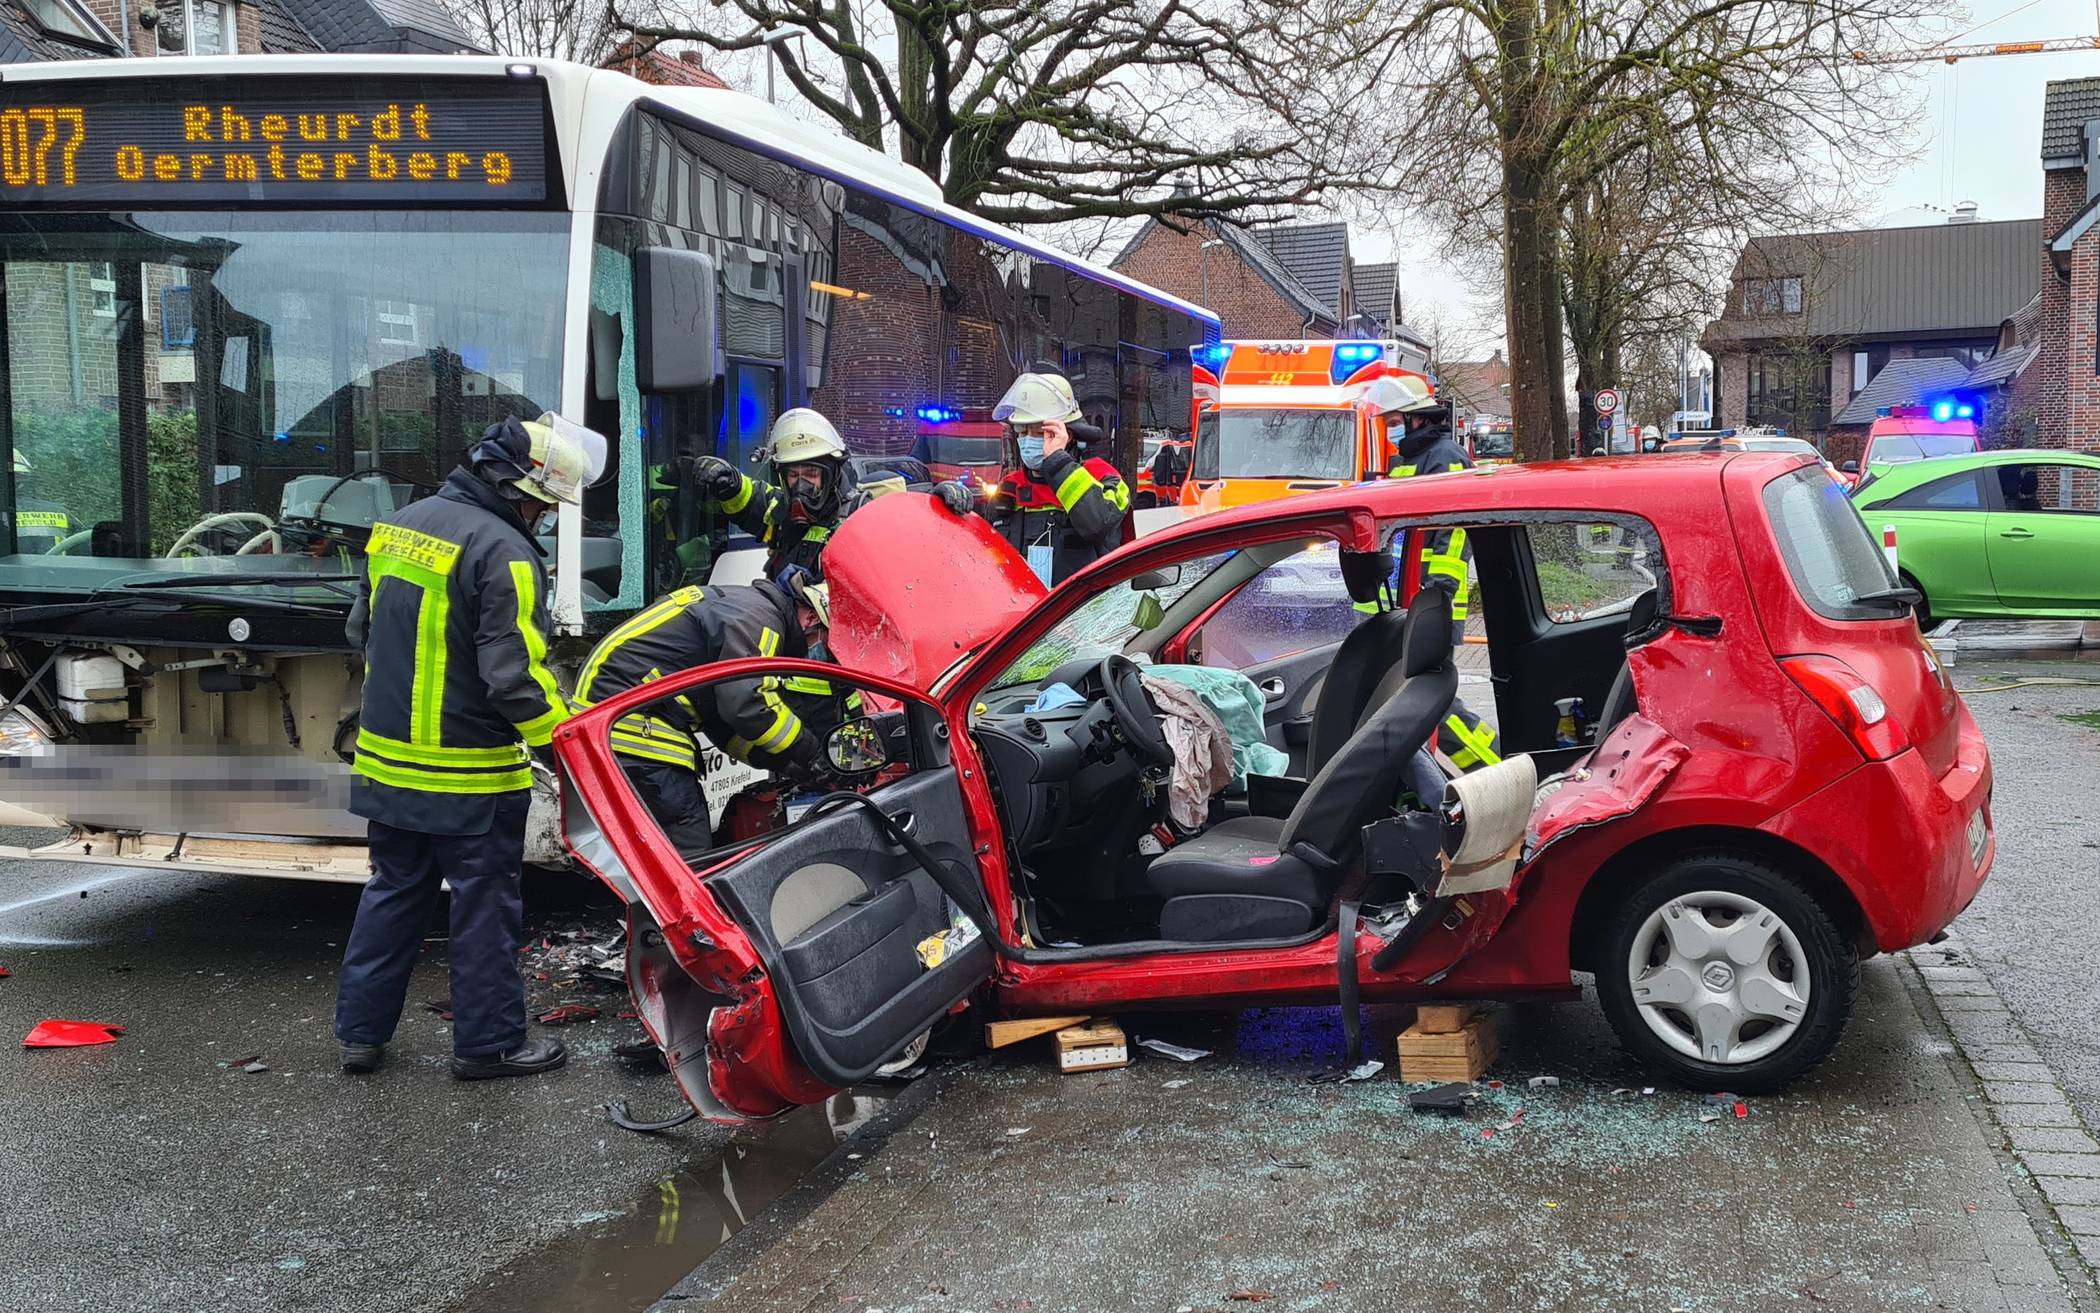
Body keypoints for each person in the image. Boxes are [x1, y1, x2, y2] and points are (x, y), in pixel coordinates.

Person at [337, 414, 599, 1081]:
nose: (544, 517)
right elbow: (515, 678)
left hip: (386, 765)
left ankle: (360, 1036)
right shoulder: (505, 551)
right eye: (542, 503)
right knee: (484, 906)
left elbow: (360, 629)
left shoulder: (397, 525)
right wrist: (568, 744)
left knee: (393, 890)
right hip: (469, 776)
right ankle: (490, 1045)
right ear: (514, 487)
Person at [571, 569, 845, 857]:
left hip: (613, 718)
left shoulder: (747, 608)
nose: (818, 649)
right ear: (811, 618)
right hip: (628, 721)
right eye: (823, 639)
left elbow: (723, 725)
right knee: (687, 840)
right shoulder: (760, 620)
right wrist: (812, 752)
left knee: (653, 850)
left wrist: (787, 765)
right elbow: (748, 706)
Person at [1365, 375, 1503, 774]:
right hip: (1403, 603)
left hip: (1432, 604)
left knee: (1434, 704)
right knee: (1411, 701)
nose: (1390, 429)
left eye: (1395, 421)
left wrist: (1436, 593)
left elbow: (1454, 534)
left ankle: (1498, 767)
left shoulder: (1446, 458)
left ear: (1418, 418)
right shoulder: (1406, 462)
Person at [930, 372, 1129, 585]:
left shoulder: (1102, 477)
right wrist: (945, 507)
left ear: (1066, 435)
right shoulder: (1009, 488)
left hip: (1080, 605)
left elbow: (1098, 524)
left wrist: (1057, 461)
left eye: (1037, 432)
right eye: (1021, 432)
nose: (1026, 441)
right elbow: (977, 549)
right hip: (1023, 603)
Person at [685, 409, 890, 580]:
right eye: (793, 475)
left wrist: (813, 592)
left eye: (811, 473)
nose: (801, 484)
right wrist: (731, 484)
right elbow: (752, 500)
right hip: (781, 614)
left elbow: (874, 588)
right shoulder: (782, 509)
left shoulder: (858, 518)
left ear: (832, 474)